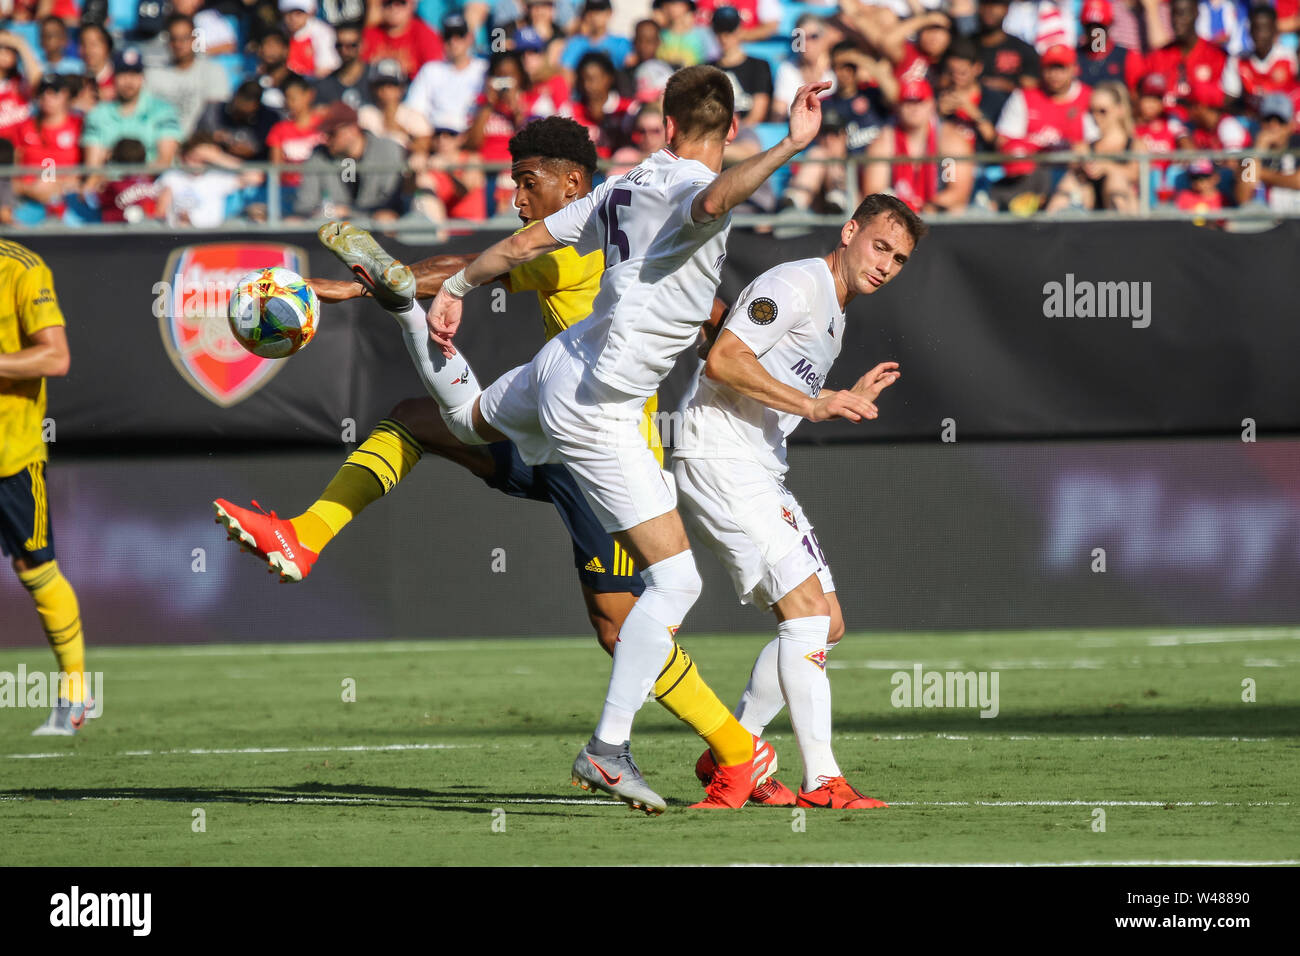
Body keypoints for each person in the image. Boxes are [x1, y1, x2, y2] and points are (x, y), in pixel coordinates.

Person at [215, 116, 771, 810]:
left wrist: (369, 288)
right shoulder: (632, 226)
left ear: (574, 182)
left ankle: (737, 750)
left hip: (612, 461)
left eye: (527, 182)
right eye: (513, 182)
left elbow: (471, 266)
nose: (516, 197)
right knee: (418, 419)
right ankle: (305, 535)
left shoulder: (586, 235)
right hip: (558, 433)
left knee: (619, 623)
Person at [387, 67, 837, 812]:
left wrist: (454, 291)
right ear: (729, 132)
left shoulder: (621, 184)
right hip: (600, 404)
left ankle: (406, 312)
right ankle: (607, 749)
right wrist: (792, 142)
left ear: (663, 124)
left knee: (466, 421)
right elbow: (718, 197)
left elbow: (528, 240)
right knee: (678, 582)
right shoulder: (694, 188)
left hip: (560, 365)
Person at [677, 194, 924, 809]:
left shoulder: (837, 311)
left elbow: (772, 375)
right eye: (879, 246)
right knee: (807, 614)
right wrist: (816, 402)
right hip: (719, 455)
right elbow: (724, 359)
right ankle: (822, 781)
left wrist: (837, 392)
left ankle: (734, 752)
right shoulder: (795, 283)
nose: (886, 264)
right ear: (849, 232)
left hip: (757, 464)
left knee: (828, 623)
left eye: (899, 258)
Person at [0, 238, 89, 736]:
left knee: (33, 567)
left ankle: (76, 692)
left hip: (10, 453)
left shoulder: (21, 269)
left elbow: (54, 358)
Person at [991, 44, 1094, 212]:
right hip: (1030, 174)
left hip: (1073, 175)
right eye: (1049, 68)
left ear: (1074, 69)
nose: (1055, 75)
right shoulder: (1024, 97)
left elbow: (1093, 145)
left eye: (1061, 68)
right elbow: (1005, 141)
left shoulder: (1089, 98)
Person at [864, 77, 975, 213]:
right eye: (908, 102)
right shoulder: (885, 140)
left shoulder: (949, 140)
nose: (914, 108)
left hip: (939, 214)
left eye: (919, 102)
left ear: (931, 105)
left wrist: (924, 209)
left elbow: (957, 193)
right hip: (897, 216)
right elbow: (874, 192)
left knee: (956, 210)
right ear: (898, 107)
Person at [293, 101, 408, 219]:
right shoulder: (319, 155)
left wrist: (350, 212)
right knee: (292, 223)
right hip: (334, 229)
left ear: (351, 130)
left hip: (376, 228)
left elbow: (388, 202)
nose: (325, 139)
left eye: (331, 133)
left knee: (385, 220)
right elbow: (304, 205)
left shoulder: (388, 150)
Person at [1046, 79, 1140, 211]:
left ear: (1120, 110)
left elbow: (1134, 174)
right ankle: (1050, 226)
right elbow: (1073, 167)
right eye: (1092, 111)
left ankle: (1121, 227)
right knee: (1071, 180)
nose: (1096, 117)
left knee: (1116, 181)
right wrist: (1081, 166)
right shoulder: (1084, 147)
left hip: (1125, 206)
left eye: (1102, 111)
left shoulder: (1136, 144)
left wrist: (1106, 167)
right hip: (1090, 203)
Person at [82, 48, 181, 167]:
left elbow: (164, 162)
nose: (128, 81)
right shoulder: (98, 114)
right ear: (114, 77)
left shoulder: (164, 111)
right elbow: (93, 167)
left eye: (134, 74)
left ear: (142, 77)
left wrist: (133, 178)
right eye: (123, 74)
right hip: (110, 183)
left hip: (152, 182)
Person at [144, 13, 232, 137]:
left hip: (198, 142)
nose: (179, 44)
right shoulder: (153, 74)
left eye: (184, 38)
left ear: (194, 39)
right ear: (168, 42)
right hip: (159, 142)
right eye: (174, 39)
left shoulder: (213, 71)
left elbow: (214, 118)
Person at [403, 13, 487, 134]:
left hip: (470, 135)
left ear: (470, 38)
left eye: (459, 35)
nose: (453, 42)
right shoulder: (431, 70)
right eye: (448, 36)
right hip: (435, 136)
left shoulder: (483, 69)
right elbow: (415, 108)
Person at [12, 74, 81, 219]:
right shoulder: (24, 127)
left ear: (65, 95)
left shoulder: (79, 124)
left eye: (54, 92)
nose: (47, 97)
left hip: (69, 200)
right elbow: (13, 172)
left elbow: (90, 171)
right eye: (42, 92)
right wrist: (30, 189)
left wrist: (59, 187)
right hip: (28, 200)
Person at [559, 50, 636, 158]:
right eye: (582, 79)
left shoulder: (629, 108)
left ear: (609, 78)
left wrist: (605, 121)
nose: (586, 85)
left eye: (592, 79)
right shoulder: (569, 110)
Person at [709, 4, 771, 125]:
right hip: (717, 134)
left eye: (730, 30)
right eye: (719, 30)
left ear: (740, 30)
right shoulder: (707, 69)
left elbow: (757, 114)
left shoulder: (759, 66)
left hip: (747, 131)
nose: (724, 36)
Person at [197, 79, 280, 161]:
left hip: (254, 167)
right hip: (216, 163)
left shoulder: (269, 118)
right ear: (235, 98)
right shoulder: (214, 111)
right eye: (238, 111)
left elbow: (269, 147)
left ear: (257, 106)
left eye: (245, 114)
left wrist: (253, 151)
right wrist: (213, 137)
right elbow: (197, 138)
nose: (239, 116)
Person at [361, 0, 444, 79]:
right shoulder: (369, 34)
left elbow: (434, 75)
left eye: (401, 2)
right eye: (388, 3)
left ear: (412, 5)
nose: (394, 8)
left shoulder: (426, 35)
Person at [560, 0, 631, 78]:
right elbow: (566, 71)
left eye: (600, 10)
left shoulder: (621, 43)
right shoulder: (575, 44)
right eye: (591, 11)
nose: (595, 15)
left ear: (610, 13)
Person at [281, 0, 342, 79]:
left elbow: (324, 70)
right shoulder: (279, 32)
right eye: (288, 13)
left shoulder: (323, 32)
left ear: (310, 13)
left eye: (298, 14)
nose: (293, 19)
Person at [315, 22, 368, 110]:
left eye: (351, 45)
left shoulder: (375, 78)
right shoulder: (325, 85)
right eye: (339, 45)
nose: (344, 51)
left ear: (361, 45)